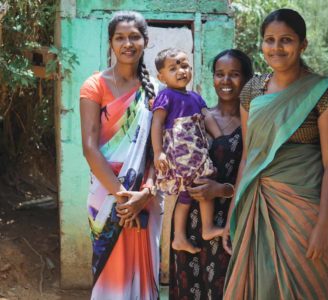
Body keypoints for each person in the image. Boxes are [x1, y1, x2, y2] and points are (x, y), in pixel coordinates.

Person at [222, 8, 328, 300]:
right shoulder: (252, 92)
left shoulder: (324, 95)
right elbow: (248, 156)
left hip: (305, 213)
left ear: (303, 44)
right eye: (269, 40)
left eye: (286, 40)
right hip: (257, 206)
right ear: (261, 44)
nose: (277, 48)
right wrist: (234, 213)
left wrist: (323, 225)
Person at [79, 11, 161, 300]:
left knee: (141, 270)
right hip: (107, 195)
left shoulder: (156, 90)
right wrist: (123, 197)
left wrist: (146, 194)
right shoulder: (95, 85)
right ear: (111, 43)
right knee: (109, 273)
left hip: (144, 197)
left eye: (134, 36)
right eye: (120, 38)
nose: (128, 43)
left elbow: (156, 152)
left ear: (145, 41)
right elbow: (89, 148)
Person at [168, 49, 253, 299]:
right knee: (188, 286)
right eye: (220, 74)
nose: (225, 81)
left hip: (229, 218)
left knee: (223, 287)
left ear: (247, 79)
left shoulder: (254, 125)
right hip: (191, 217)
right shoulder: (197, 117)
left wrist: (221, 190)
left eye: (234, 74)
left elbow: (258, 177)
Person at [151, 48, 224, 254]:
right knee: (202, 182)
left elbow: (207, 118)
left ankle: (181, 237)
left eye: (184, 66)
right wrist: (158, 152)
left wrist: (221, 139)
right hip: (180, 153)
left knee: (189, 192)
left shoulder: (195, 97)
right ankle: (206, 228)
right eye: (173, 68)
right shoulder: (166, 96)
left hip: (196, 153)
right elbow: (157, 123)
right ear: (161, 76)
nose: (181, 71)